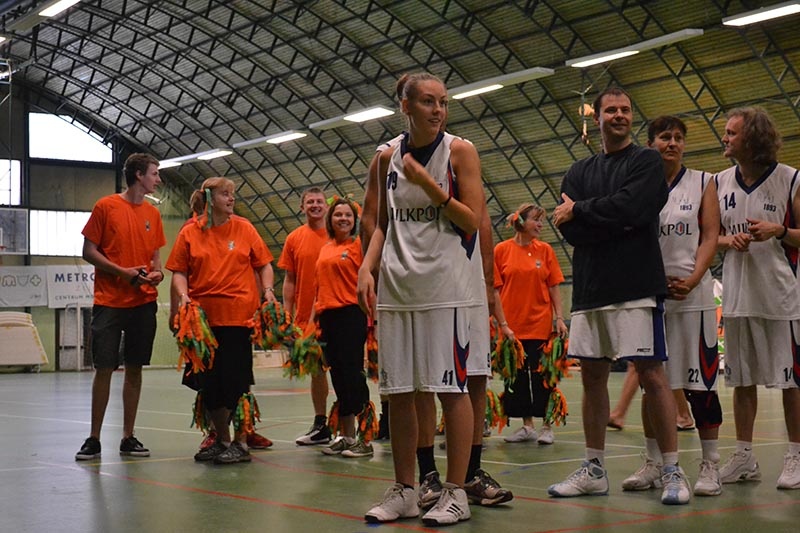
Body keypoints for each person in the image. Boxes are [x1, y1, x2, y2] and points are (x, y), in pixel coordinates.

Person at [362, 92, 512, 511]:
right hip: (398, 288)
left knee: (451, 388)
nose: (438, 109)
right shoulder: (385, 158)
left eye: (443, 102)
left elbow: (472, 219)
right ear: (405, 107)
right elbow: (381, 223)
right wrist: (366, 268)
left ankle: (457, 490)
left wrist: (428, 184)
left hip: (447, 288)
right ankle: (405, 490)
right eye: (428, 102)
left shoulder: (459, 152)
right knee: (401, 393)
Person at [549, 87, 691, 505]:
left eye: (625, 110)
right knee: (593, 377)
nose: (619, 115)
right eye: (611, 110)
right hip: (591, 289)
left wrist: (583, 210)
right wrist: (608, 219)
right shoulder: (578, 172)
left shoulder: (646, 161)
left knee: (651, 374)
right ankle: (594, 469)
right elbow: (571, 230)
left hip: (637, 287)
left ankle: (671, 469)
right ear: (598, 119)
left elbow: (637, 208)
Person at [622, 115, 722, 496]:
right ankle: (654, 462)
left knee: (702, 385)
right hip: (651, 296)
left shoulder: (702, 182)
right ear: (650, 144)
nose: (673, 143)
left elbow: (710, 235)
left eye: (679, 137)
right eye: (665, 137)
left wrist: (695, 278)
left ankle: (710, 465)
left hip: (693, 297)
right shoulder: (638, 185)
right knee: (652, 384)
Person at [715, 106, 800, 490]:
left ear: (753, 138)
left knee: (791, 382)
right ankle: (744, 458)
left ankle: (796, 455)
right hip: (737, 297)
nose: (725, 138)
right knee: (741, 381)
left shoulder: (790, 179)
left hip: (781, 299)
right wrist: (726, 240)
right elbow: (709, 236)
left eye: (732, 133)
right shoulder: (719, 183)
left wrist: (779, 230)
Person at [166, 177, 275, 464]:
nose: (231, 199)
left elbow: (264, 264)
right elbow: (179, 272)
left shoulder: (244, 228)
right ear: (210, 198)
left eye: (232, 194)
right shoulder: (190, 232)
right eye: (225, 194)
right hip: (203, 322)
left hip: (239, 317)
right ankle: (223, 439)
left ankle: (241, 442)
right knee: (211, 384)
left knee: (237, 383)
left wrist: (268, 291)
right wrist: (183, 296)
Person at [75, 153, 166, 461]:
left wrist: (156, 274)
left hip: (143, 302)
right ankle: (94, 438)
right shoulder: (106, 207)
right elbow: (88, 251)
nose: (158, 179)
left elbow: (155, 258)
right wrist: (122, 272)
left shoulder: (153, 214)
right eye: (154, 173)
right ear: (139, 175)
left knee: (135, 368)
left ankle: (128, 436)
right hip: (109, 302)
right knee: (104, 368)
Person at [493, 203, 568, 446]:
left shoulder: (545, 250)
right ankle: (527, 426)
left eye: (541, 220)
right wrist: (502, 323)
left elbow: (554, 285)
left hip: (540, 325)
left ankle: (546, 426)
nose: (540, 225)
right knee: (516, 379)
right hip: (511, 328)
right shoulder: (501, 250)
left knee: (543, 377)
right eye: (536, 219)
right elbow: (495, 290)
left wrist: (559, 317)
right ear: (521, 222)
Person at [313, 197, 373, 458]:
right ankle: (346, 436)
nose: (343, 219)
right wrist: (313, 320)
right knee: (338, 378)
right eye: (338, 214)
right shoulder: (325, 248)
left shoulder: (359, 246)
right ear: (330, 219)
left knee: (353, 377)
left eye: (348, 215)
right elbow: (319, 287)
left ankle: (365, 439)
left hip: (351, 315)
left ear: (354, 219)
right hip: (328, 317)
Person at [279, 187, 333, 446]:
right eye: (310, 202)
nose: (315, 205)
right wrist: (287, 315)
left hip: (336, 312)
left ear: (326, 206)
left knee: (345, 370)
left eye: (319, 201)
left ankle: (349, 425)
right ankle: (321, 424)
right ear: (302, 207)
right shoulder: (294, 238)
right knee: (317, 371)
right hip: (305, 318)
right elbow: (289, 280)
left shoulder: (338, 235)